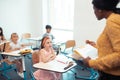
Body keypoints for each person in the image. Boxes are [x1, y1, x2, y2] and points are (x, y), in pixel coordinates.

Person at [84, 0, 120, 80]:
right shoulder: (115, 18)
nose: (94, 12)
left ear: (100, 10)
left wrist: (92, 63)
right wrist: (96, 47)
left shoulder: (112, 21)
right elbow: (112, 47)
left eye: (94, 9)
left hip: (112, 76)